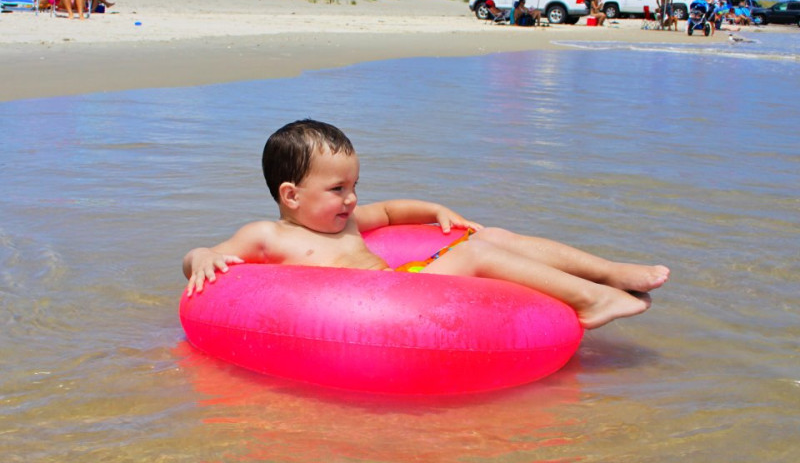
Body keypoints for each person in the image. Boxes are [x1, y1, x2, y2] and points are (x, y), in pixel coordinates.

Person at [183, 119, 670, 330]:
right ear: (290, 195)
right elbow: (202, 257)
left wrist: (437, 211)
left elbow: (393, 212)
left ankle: (605, 272)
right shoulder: (269, 236)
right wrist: (201, 257)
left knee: (489, 237)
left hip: (407, 284)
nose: (351, 200)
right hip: (382, 305)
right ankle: (589, 300)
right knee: (478, 254)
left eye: (354, 186)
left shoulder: (346, 224)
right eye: (337, 190)